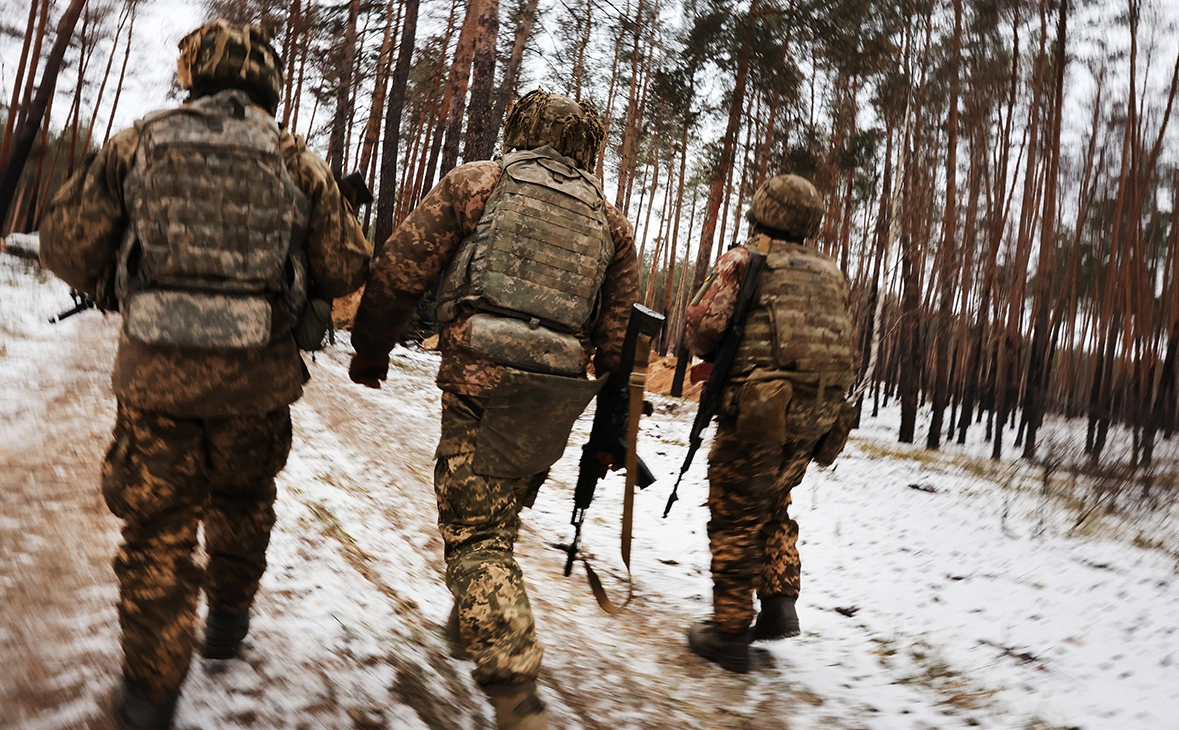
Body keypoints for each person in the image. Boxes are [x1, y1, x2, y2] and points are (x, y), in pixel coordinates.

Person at [39, 20, 371, 729]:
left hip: (156, 378)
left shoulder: (141, 140)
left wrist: (112, 282)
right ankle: (225, 623)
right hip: (258, 382)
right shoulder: (296, 159)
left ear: (194, 72)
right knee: (243, 500)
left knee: (157, 529)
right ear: (267, 82)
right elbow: (348, 265)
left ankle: (150, 695)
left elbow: (64, 243)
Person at [348, 89, 639, 730]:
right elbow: (619, 346)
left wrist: (370, 350)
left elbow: (400, 269)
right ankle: (473, 616)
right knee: (495, 512)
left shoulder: (479, 182)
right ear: (589, 142)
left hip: (481, 377)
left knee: (476, 533)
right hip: (553, 394)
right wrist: (605, 423)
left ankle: (514, 690)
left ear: (522, 127)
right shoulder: (613, 225)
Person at [682, 174, 858, 673]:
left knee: (736, 511)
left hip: (759, 411)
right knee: (773, 499)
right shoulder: (831, 273)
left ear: (760, 210)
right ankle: (779, 601)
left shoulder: (744, 260)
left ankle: (730, 632)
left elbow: (703, 331)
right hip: (818, 415)